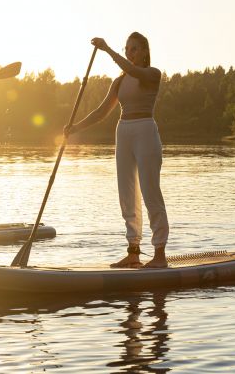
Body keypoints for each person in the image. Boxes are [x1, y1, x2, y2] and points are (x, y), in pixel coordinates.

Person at [64, 32, 169, 268]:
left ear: (144, 51)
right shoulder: (119, 81)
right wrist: (75, 127)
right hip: (123, 132)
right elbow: (101, 112)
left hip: (145, 131)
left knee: (151, 192)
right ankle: (133, 252)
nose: (129, 53)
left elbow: (134, 71)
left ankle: (160, 254)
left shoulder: (151, 74)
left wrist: (108, 50)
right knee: (127, 194)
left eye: (133, 49)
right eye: (127, 49)